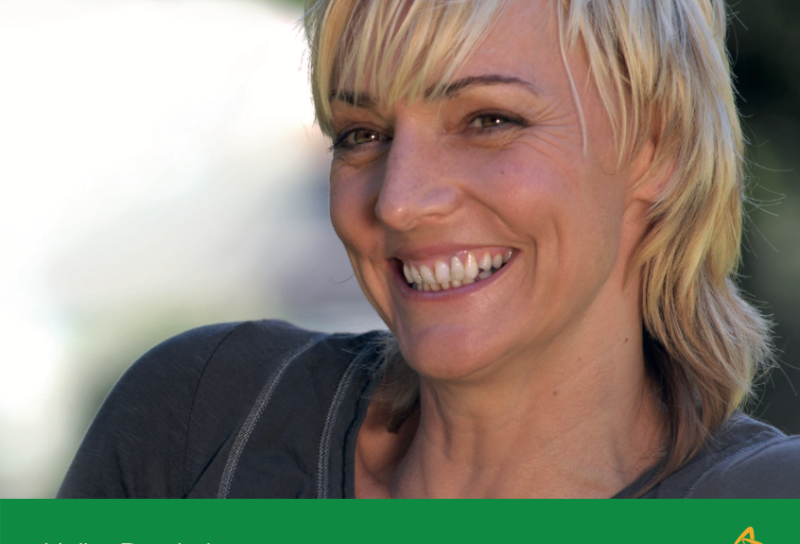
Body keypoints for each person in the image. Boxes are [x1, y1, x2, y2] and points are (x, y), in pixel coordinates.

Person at [58, 0, 800, 499]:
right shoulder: (202, 424)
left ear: (657, 148)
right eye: (361, 134)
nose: (399, 201)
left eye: (489, 120)